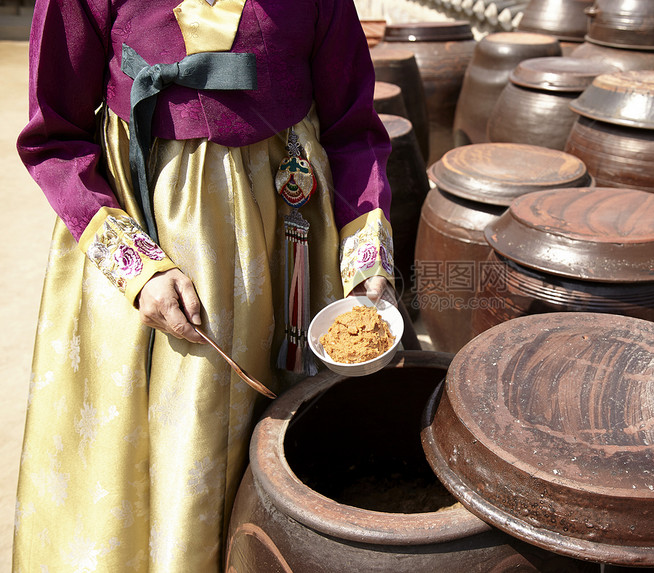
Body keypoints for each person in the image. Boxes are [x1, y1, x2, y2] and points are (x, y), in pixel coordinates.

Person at [14, 0, 395, 570]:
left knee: (289, 449)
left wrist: (367, 264)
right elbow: (56, 138)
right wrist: (136, 269)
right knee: (171, 445)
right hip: (150, 245)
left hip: (287, 249)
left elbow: (353, 129)